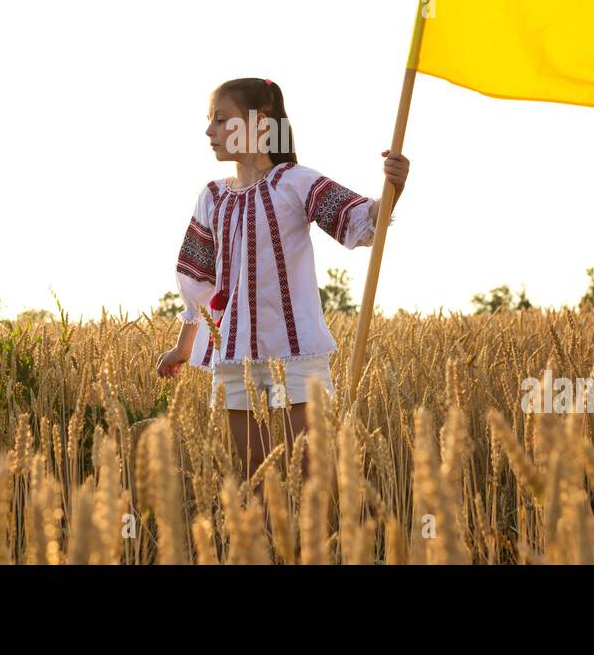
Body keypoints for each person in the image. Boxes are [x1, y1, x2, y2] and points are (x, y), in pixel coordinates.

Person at [156, 77, 409, 481]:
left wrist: (393, 187)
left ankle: (316, 544)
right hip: (234, 355)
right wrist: (183, 347)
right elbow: (198, 283)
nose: (210, 131)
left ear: (260, 124)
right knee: (253, 472)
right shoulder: (211, 196)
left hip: (296, 352)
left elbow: (360, 223)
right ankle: (265, 545)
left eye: (222, 119)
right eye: (211, 120)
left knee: (311, 471)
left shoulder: (296, 181)